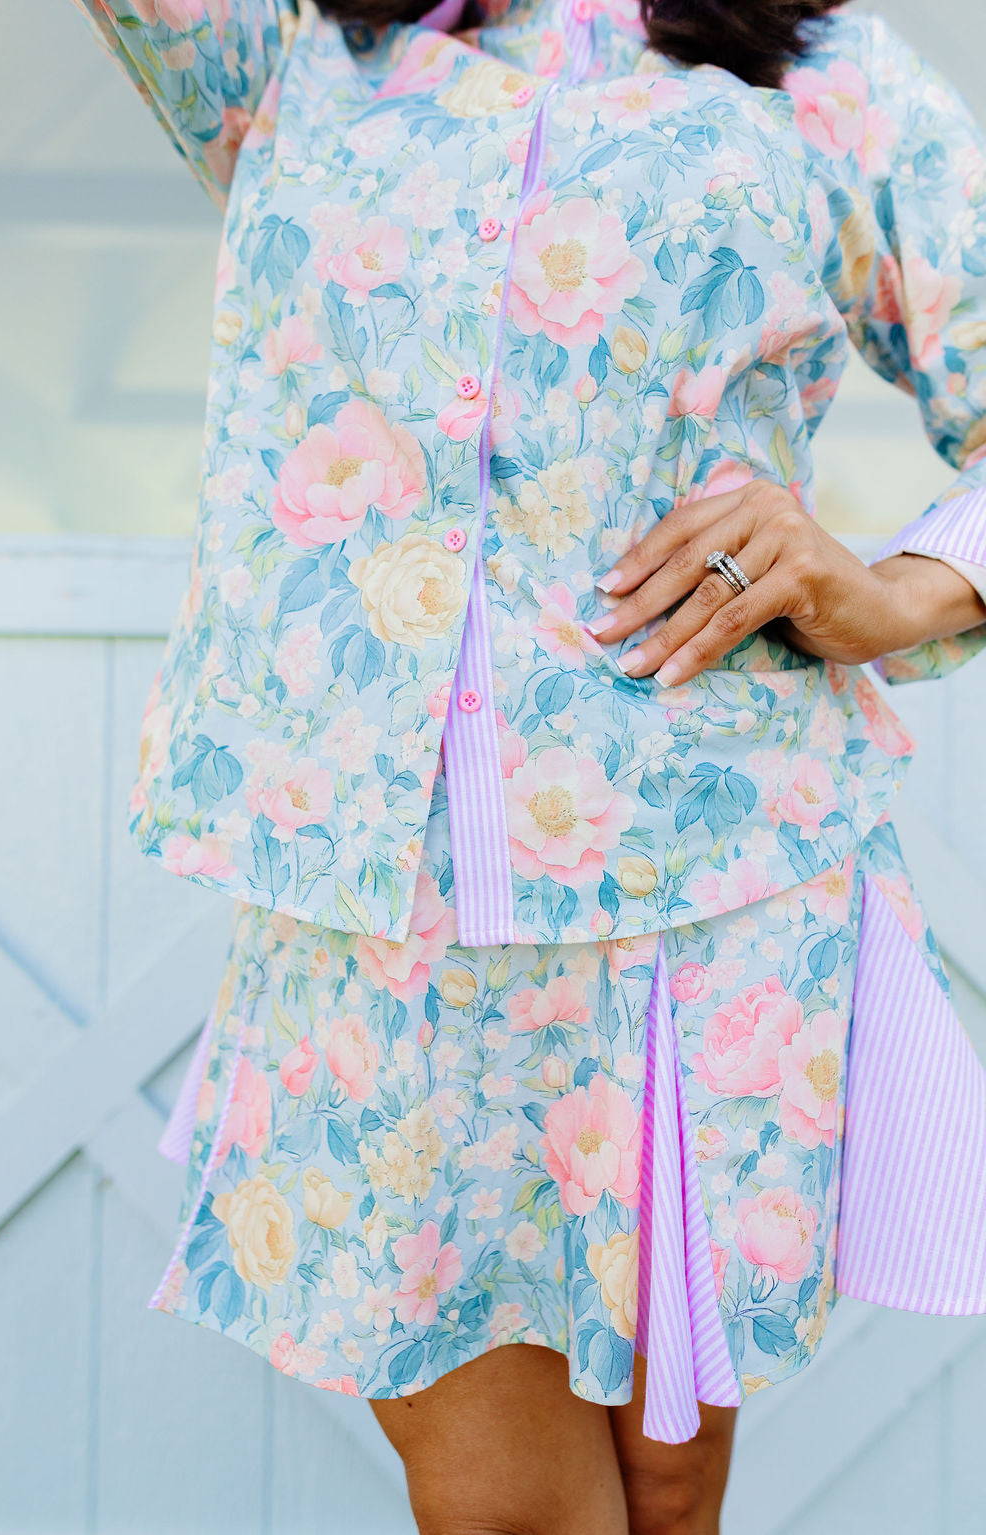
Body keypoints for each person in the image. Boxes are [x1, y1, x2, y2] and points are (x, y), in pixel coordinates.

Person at [71, 0, 986, 1529]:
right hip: (386, 914)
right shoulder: (279, 49)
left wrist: (898, 591)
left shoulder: (823, 74)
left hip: (709, 884)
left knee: (669, 1489)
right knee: (510, 1510)